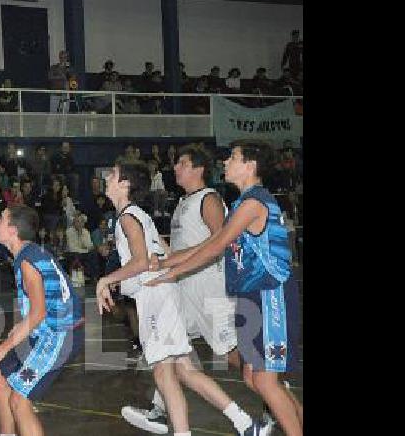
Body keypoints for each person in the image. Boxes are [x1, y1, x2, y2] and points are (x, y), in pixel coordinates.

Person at [142, 141, 303, 435]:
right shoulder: (242, 203)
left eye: (233, 157)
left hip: (270, 295)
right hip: (249, 295)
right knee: (254, 378)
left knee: (265, 381)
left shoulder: (255, 202)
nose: (226, 162)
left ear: (250, 166)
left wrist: (172, 271)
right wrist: (165, 264)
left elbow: (215, 245)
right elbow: (206, 245)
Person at [95, 159, 257, 436]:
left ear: (125, 184)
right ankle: (245, 422)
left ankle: (185, 429)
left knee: (164, 372)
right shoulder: (137, 214)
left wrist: (106, 279)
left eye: (114, 174)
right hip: (162, 294)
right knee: (183, 370)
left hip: (155, 296)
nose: (108, 177)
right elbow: (164, 252)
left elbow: (143, 262)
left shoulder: (127, 218)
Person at [0, 205, 82, 436]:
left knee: (19, 400)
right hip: (45, 331)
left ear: (13, 231)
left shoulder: (28, 262)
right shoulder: (29, 253)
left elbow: (39, 313)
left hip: (61, 336)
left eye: (1, 220)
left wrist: (4, 347)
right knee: (0, 376)